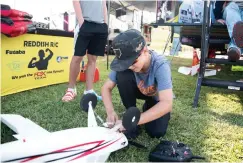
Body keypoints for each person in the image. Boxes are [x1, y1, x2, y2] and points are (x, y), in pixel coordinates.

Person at [101, 29, 173, 138]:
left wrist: (134, 121)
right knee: (122, 74)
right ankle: (131, 110)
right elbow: (106, 88)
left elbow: (167, 103)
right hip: (137, 89)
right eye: (125, 63)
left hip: (155, 97)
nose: (130, 66)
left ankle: (147, 107)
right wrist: (110, 112)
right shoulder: (126, 64)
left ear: (144, 50)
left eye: (133, 62)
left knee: (156, 132)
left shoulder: (160, 65)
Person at [62, 0, 108, 102]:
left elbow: (104, 5)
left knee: (92, 59)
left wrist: (105, 23)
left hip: (100, 26)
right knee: (78, 57)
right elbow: (76, 1)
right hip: (85, 24)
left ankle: (89, 90)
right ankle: (71, 89)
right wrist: (82, 22)